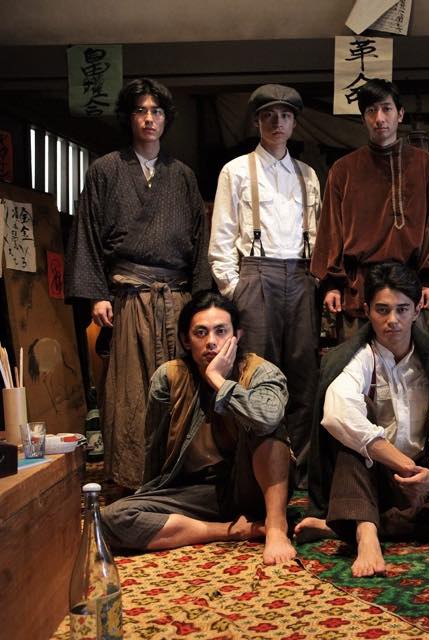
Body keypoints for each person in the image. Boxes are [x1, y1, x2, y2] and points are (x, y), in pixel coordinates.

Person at [296, 262, 429, 577]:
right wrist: (401, 464)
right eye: (382, 310)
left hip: (420, 476)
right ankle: (366, 536)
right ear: (367, 310)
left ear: (417, 310)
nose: (392, 320)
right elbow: (337, 412)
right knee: (353, 438)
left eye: (402, 309)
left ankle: (352, 523)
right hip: (371, 475)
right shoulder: (356, 358)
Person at [66, 78, 211, 490]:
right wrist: (97, 295)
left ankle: (181, 477)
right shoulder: (106, 170)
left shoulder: (182, 175)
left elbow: (199, 240)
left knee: (181, 388)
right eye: (141, 111)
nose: (149, 119)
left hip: (177, 298)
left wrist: (201, 302)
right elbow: (87, 233)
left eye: (157, 111)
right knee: (129, 392)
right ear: (129, 118)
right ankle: (131, 479)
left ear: (166, 119)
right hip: (128, 297)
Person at [101, 291, 297, 565]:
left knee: (268, 427)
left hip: (253, 486)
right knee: (110, 519)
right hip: (199, 493)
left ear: (237, 335)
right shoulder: (170, 376)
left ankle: (276, 527)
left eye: (221, 331)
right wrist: (150, 498)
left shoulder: (260, 371)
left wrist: (217, 379)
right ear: (185, 339)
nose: (211, 342)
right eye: (201, 333)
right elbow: (154, 444)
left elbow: (268, 418)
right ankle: (232, 531)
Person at [209, 84, 322, 485]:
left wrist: (314, 279)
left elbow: (318, 232)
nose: (278, 123)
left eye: (285, 116)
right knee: (257, 373)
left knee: (304, 374)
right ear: (257, 121)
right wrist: (235, 289)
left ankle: (299, 472)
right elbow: (222, 237)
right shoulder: (236, 170)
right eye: (269, 116)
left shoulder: (308, 174)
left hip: (301, 276)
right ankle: (256, 473)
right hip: (256, 274)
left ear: (294, 123)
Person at [312, 78, 429, 338]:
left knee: (411, 360)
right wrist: (332, 284)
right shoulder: (344, 170)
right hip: (359, 288)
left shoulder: (424, 165)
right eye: (371, 111)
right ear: (363, 118)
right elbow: (331, 230)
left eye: (386, 109)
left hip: (409, 285)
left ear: (400, 114)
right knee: (357, 361)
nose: (379, 118)